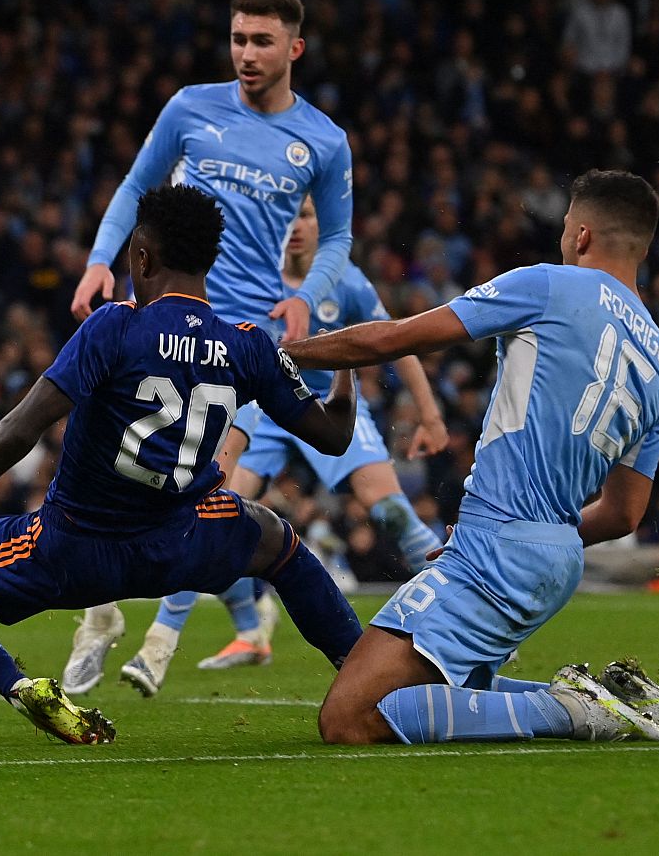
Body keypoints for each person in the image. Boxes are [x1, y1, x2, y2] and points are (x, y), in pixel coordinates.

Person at [0, 186, 363, 744]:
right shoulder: (248, 346)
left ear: (142, 258)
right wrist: (349, 363)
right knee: (276, 542)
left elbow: (21, 428)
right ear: (211, 261)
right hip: (179, 545)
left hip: (73, 551)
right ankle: (359, 668)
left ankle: (18, 685)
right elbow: (334, 435)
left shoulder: (116, 326)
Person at [284, 171, 659, 744]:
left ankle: (574, 711)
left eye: (566, 228)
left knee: (352, 717)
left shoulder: (549, 286)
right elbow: (623, 515)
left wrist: (279, 351)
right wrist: (538, 539)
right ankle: (606, 698)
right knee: (441, 689)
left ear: (583, 235)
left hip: (501, 546)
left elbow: (395, 338)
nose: (564, 239)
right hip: (556, 554)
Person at [65, 0, 356, 690]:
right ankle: (102, 613)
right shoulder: (190, 106)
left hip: (239, 342)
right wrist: (100, 260)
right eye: (238, 39)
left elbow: (340, 236)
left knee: (210, 488)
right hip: (156, 320)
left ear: (296, 48)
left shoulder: (322, 140)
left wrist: (305, 297)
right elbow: (137, 186)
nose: (247, 54)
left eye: (262, 41)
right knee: (102, 466)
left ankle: (161, 643)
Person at [121, 197, 449, 695]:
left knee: (392, 514)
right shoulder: (254, 276)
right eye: (290, 216)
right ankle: (161, 645)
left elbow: (395, 342)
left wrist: (429, 413)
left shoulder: (348, 280)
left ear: (324, 226)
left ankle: (462, 606)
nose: (297, 227)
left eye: (308, 217)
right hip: (261, 405)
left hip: (323, 401)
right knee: (212, 507)